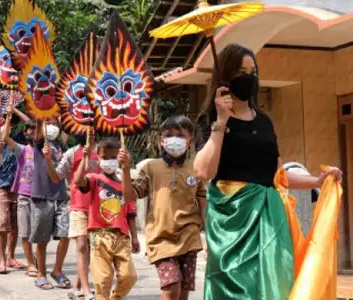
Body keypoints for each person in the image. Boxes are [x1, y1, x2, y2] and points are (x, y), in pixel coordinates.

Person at [193, 43, 342, 300]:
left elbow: (277, 174)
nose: (249, 78)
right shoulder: (210, 121)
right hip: (232, 221)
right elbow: (204, 171)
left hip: (270, 216)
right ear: (225, 78)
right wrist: (220, 122)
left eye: (253, 71)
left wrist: (316, 180)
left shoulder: (264, 120)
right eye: (241, 72)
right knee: (233, 290)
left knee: (276, 285)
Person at [132, 115, 206, 300]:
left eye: (180, 135)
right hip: (161, 238)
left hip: (189, 237)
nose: (175, 139)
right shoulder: (151, 167)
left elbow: (203, 200)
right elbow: (130, 195)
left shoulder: (196, 168)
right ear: (161, 140)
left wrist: (209, 236)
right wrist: (125, 170)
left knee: (183, 291)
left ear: (189, 140)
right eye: (169, 135)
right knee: (171, 286)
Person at [74, 138, 137, 300]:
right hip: (99, 236)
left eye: (113, 158)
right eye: (105, 158)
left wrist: (135, 237)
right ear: (98, 158)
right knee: (102, 280)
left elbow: (131, 211)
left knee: (129, 276)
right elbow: (78, 181)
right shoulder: (95, 179)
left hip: (121, 237)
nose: (109, 162)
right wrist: (84, 159)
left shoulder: (126, 184)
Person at [44, 132, 98, 299]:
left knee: (90, 248)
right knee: (81, 245)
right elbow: (55, 177)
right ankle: (86, 290)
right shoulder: (71, 153)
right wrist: (47, 160)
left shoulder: (104, 152)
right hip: (78, 205)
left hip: (98, 208)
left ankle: (77, 287)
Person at [30, 118, 70, 290]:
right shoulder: (40, 142)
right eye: (50, 122)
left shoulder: (61, 145)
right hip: (42, 195)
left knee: (66, 234)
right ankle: (41, 274)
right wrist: (40, 119)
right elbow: (39, 131)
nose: (53, 125)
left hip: (60, 194)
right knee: (42, 238)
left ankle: (58, 271)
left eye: (56, 122)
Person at [0, 111, 25, 274]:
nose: (5, 126)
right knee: (2, 223)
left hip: (16, 187)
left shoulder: (16, 143)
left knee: (14, 225)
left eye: (8, 123)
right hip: (0, 186)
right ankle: (1, 259)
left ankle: (11, 256)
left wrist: (12, 111)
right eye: (1, 122)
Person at [8, 120, 38, 278]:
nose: (34, 133)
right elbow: (6, 138)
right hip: (25, 196)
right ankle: (31, 263)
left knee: (39, 232)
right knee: (25, 232)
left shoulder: (47, 151)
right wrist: (4, 123)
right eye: (31, 130)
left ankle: (39, 260)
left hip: (41, 197)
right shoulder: (22, 150)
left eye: (37, 130)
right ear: (26, 133)